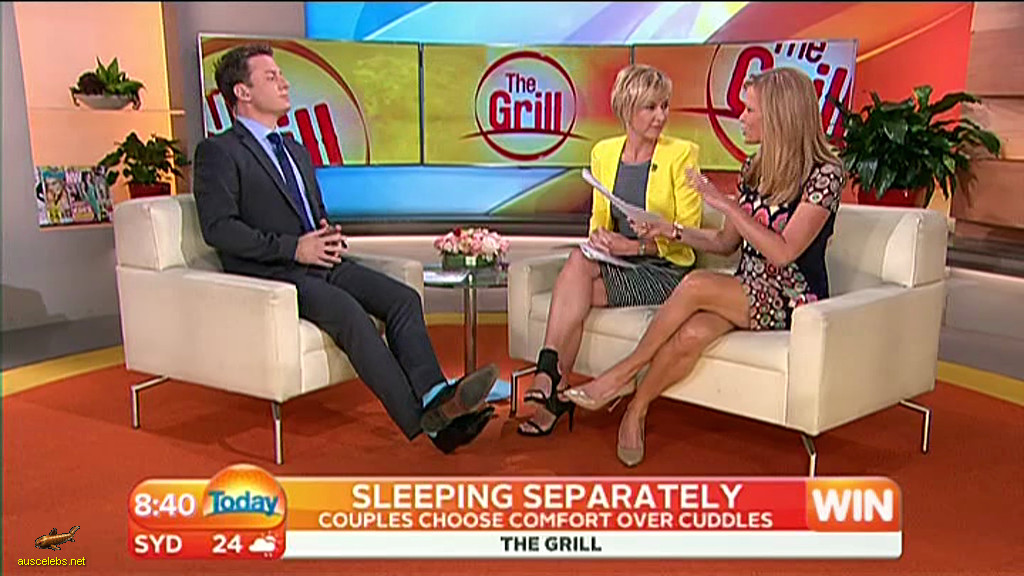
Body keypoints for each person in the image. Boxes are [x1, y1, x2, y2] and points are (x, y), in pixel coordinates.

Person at [193, 43, 499, 454]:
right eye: (271, 77)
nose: (284, 83)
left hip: (321, 261)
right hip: (273, 273)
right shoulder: (219, 151)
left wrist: (325, 234)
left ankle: (434, 396)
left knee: (403, 299)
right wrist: (293, 249)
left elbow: (311, 211)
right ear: (242, 92)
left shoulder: (294, 149)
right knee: (349, 313)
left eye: (281, 75)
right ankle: (428, 424)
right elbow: (219, 229)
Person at [563, 66, 846, 467]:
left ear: (778, 115)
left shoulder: (825, 175)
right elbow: (725, 244)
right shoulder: (755, 167)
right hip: (746, 289)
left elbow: (783, 253)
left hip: (794, 298)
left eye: (749, 110)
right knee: (690, 335)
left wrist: (728, 205)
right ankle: (636, 410)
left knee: (696, 283)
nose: (741, 118)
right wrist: (670, 230)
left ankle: (622, 373)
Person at [517, 64, 703, 437]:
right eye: (650, 107)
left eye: (664, 106)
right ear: (627, 108)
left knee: (576, 292)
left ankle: (549, 382)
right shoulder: (604, 152)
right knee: (578, 260)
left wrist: (635, 246)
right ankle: (551, 375)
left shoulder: (682, 154)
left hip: (666, 270)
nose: (661, 116)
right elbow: (599, 218)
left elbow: (689, 231)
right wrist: (601, 240)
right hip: (620, 261)